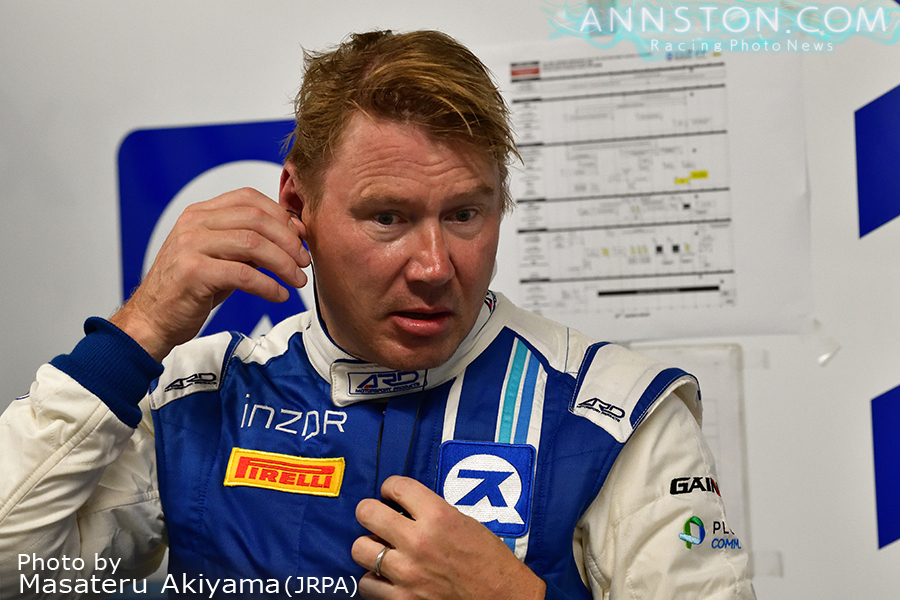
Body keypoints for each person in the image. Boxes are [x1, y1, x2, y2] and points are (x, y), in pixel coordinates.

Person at [0, 30, 755, 599]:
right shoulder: (198, 396)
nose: (434, 266)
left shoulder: (616, 414)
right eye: (387, 217)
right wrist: (140, 331)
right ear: (297, 205)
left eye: (464, 214)